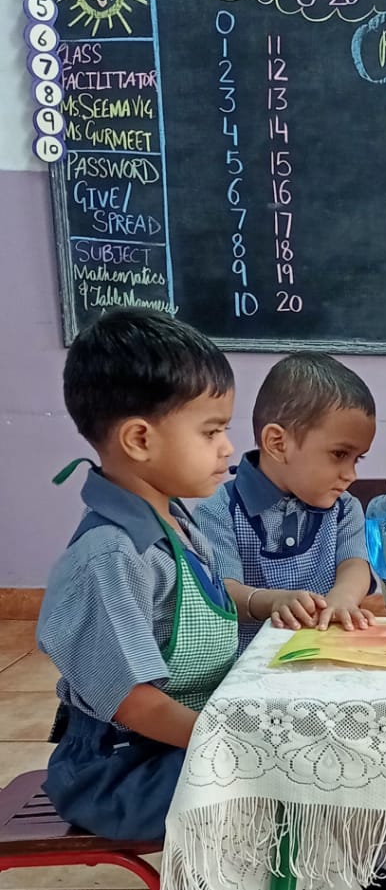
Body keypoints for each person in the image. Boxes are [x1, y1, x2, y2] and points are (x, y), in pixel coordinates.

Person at [36, 309, 237, 840]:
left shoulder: (174, 520)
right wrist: (236, 741)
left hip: (169, 745)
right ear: (140, 440)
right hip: (118, 771)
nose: (228, 448)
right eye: (212, 430)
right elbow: (134, 700)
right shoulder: (110, 556)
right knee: (280, 787)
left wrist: (263, 601)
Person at [197, 352, 378, 651]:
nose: (351, 474)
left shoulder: (345, 509)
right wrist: (273, 602)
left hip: (322, 659)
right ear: (278, 444)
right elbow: (224, 591)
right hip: (246, 671)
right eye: (339, 455)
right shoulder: (218, 510)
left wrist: (342, 599)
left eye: (358, 458)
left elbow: (354, 564)